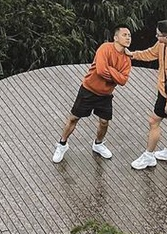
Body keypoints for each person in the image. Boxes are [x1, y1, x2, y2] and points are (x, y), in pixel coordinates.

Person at [52, 25, 133, 163]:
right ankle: (62, 144)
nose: (128, 38)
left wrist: (110, 70)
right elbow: (101, 71)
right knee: (74, 118)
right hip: (88, 90)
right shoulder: (105, 48)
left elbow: (123, 80)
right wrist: (115, 74)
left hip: (106, 95)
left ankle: (98, 144)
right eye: (124, 35)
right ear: (115, 38)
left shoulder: (127, 60)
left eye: (129, 36)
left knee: (104, 122)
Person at [128, 19, 167, 169]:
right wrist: (133, 55)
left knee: (154, 121)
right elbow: (151, 53)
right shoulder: (162, 45)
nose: (156, 37)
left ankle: (148, 156)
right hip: (164, 88)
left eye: (158, 35)